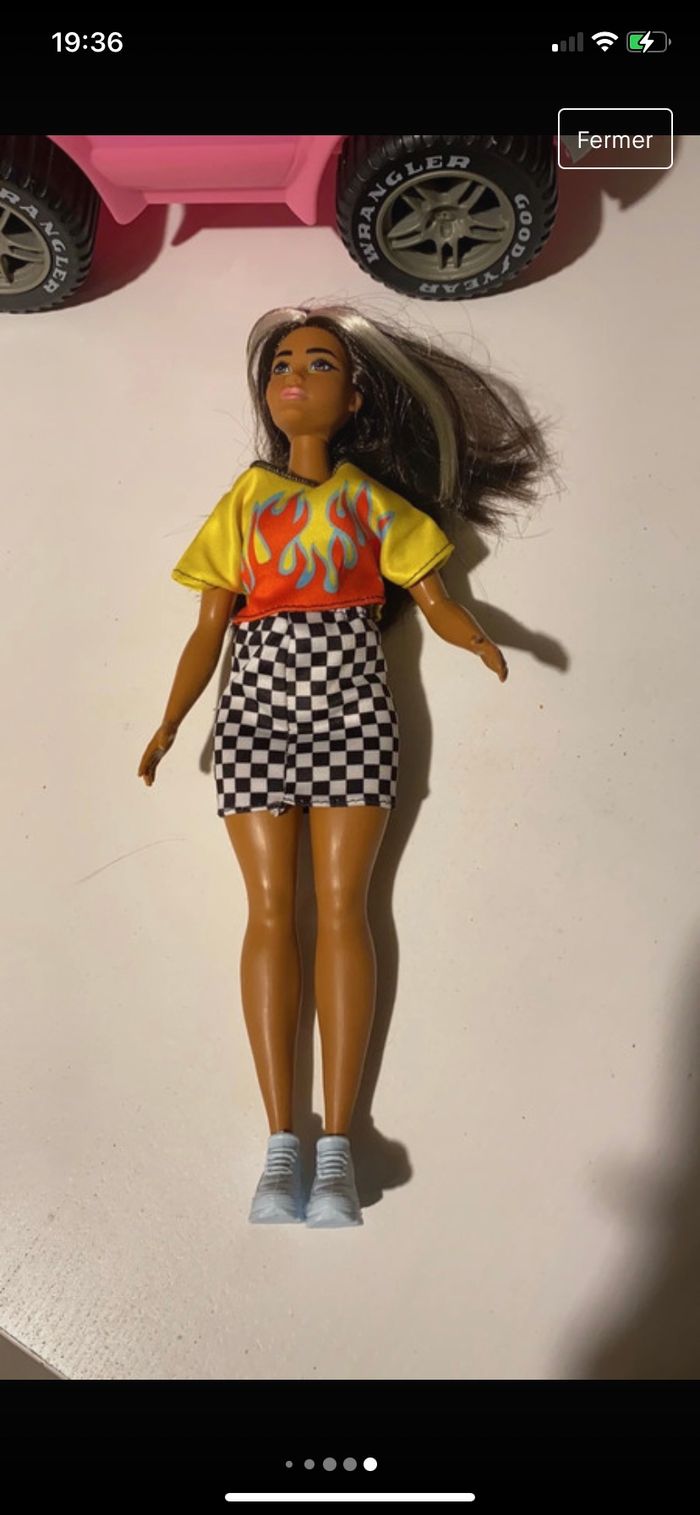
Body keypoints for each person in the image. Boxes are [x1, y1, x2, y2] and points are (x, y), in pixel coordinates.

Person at [137, 303, 556, 1227]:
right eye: (283, 364)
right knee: (269, 911)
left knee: (344, 909)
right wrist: (170, 721)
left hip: (355, 711)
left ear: (357, 398)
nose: (295, 376)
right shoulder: (248, 499)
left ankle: (336, 1149)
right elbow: (209, 626)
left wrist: (481, 637)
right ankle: (279, 1144)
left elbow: (433, 598)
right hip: (254, 711)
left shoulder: (371, 503)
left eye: (319, 363)